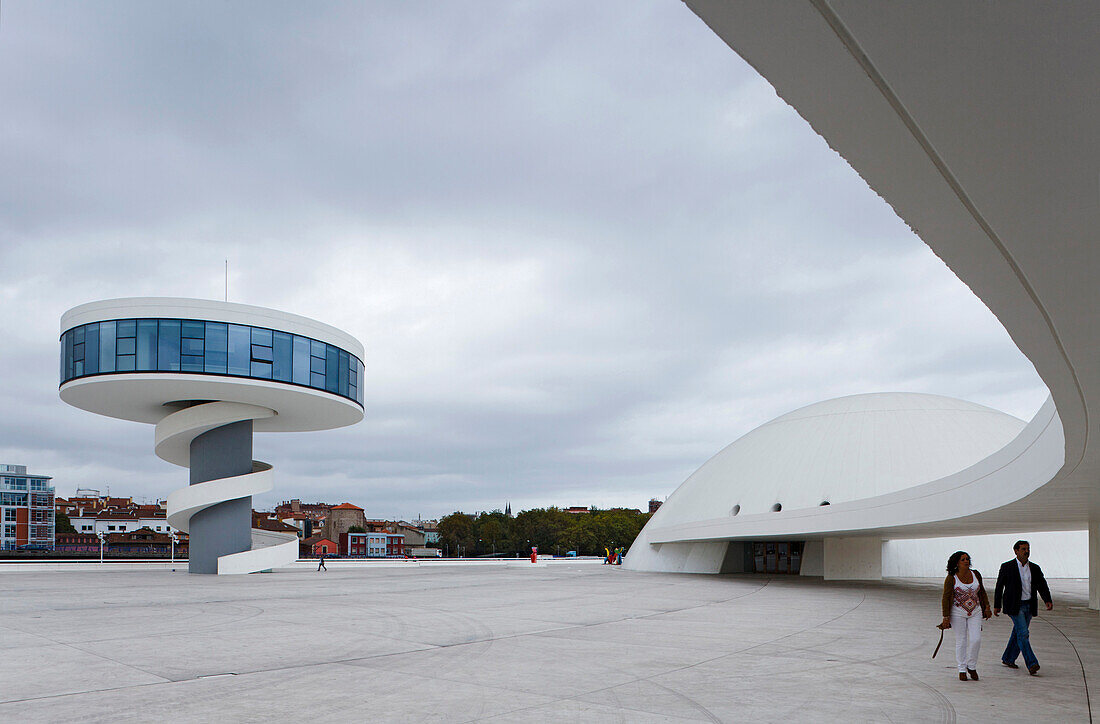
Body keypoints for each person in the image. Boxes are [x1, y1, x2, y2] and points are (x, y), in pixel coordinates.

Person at [994, 540, 1053, 675]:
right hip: (1015, 606)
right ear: (1016, 551)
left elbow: (1041, 585)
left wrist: (1047, 599)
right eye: (1023, 549)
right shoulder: (1007, 567)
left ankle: (1008, 658)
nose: (1026, 551)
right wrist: (997, 605)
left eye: (1028, 549)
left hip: (1029, 605)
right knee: (1023, 633)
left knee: (1019, 633)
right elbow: (999, 587)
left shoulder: (1035, 568)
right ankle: (1032, 663)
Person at [941, 551, 991, 681]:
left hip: (976, 611)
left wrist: (987, 607)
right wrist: (945, 616)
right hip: (957, 612)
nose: (966, 561)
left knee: (976, 639)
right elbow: (946, 597)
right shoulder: (952, 578)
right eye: (963, 559)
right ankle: (962, 668)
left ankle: (972, 665)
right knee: (961, 640)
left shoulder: (976, 574)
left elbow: (982, 591)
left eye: (967, 559)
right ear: (957, 562)